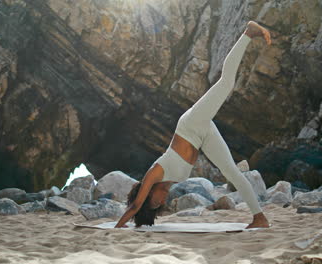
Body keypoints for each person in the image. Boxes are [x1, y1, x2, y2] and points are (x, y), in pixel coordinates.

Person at [115, 21, 271, 229]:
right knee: (232, 172)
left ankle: (248, 34)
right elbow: (140, 210)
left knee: (225, 84)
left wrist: (119, 226)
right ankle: (259, 218)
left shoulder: (155, 173)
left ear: (148, 192)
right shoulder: (168, 181)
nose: (161, 202)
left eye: (154, 202)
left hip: (190, 125)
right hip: (201, 136)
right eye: (158, 206)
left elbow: (135, 206)